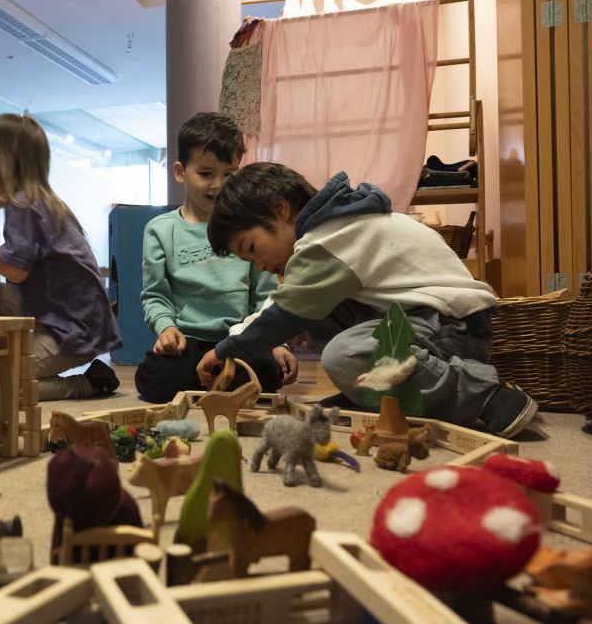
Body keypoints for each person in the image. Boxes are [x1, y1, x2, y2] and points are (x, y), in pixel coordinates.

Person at [197, 163, 538, 438]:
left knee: (345, 352)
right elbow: (286, 303)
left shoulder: (329, 239)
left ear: (281, 209)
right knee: (318, 315)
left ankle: (483, 393)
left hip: (451, 331)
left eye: (251, 248)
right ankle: (371, 396)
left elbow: (284, 313)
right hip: (423, 323)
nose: (258, 265)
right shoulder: (334, 227)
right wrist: (234, 336)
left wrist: (226, 349)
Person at [135, 112, 297, 403]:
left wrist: (277, 342)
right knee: (154, 380)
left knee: (267, 373)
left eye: (229, 175)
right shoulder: (160, 230)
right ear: (180, 171)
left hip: (240, 337)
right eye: (206, 173)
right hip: (188, 342)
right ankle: (217, 384)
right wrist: (167, 328)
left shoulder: (250, 228)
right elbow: (155, 295)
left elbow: (266, 295)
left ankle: (217, 384)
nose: (218, 185)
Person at [0, 113, 122, 401]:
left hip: (76, 330)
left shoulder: (24, 205)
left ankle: (85, 384)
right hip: (66, 319)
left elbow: (14, 270)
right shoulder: (40, 202)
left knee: (5, 381)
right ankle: (30, 353)